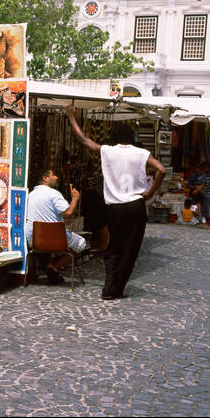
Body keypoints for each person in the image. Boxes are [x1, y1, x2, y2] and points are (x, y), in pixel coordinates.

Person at [66, 105, 166, 300]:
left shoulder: (108, 151)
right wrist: (149, 192)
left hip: (115, 208)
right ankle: (116, 289)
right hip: (136, 205)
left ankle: (109, 288)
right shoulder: (141, 153)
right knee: (130, 249)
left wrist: (71, 118)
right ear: (131, 136)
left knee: (114, 248)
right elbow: (161, 170)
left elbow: (84, 140)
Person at [26, 169, 86, 285]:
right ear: (45, 178)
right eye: (53, 175)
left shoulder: (29, 195)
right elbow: (68, 213)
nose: (56, 177)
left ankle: (48, 266)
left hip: (33, 239)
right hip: (54, 239)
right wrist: (75, 198)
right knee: (81, 244)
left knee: (44, 247)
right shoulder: (53, 193)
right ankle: (54, 266)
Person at [186, 160, 210, 229]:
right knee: (206, 209)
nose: (202, 170)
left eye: (203, 168)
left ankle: (209, 224)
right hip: (206, 194)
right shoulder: (204, 175)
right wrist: (197, 189)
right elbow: (204, 184)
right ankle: (206, 223)